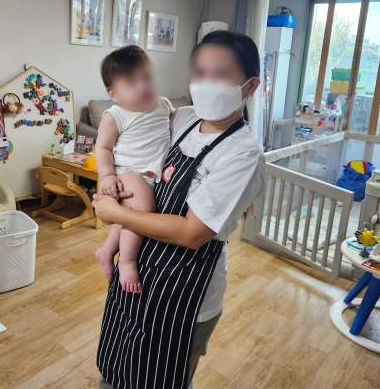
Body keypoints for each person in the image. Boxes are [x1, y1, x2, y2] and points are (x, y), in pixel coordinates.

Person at [93, 30, 268, 389]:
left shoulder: (243, 154)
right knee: (117, 364)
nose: (206, 83)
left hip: (185, 292)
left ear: (250, 86)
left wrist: (115, 214)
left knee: (157, 379)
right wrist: (106, 179)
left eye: (220, 74)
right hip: (141, 268)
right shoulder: (184, 117)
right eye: (199, 72)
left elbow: (193, 233)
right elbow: (132, 149)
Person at [94, 45, 173, 294]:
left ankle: (106, 251)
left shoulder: (164, 105)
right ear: (113, 93)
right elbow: (103, 148)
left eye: (147, 77)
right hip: (130, 171)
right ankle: (127, 261)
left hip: (153, 172)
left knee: (127, 217)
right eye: (131, 82)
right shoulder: (115, 115)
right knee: (142, 209)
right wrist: (106, 176)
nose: (143, 86)